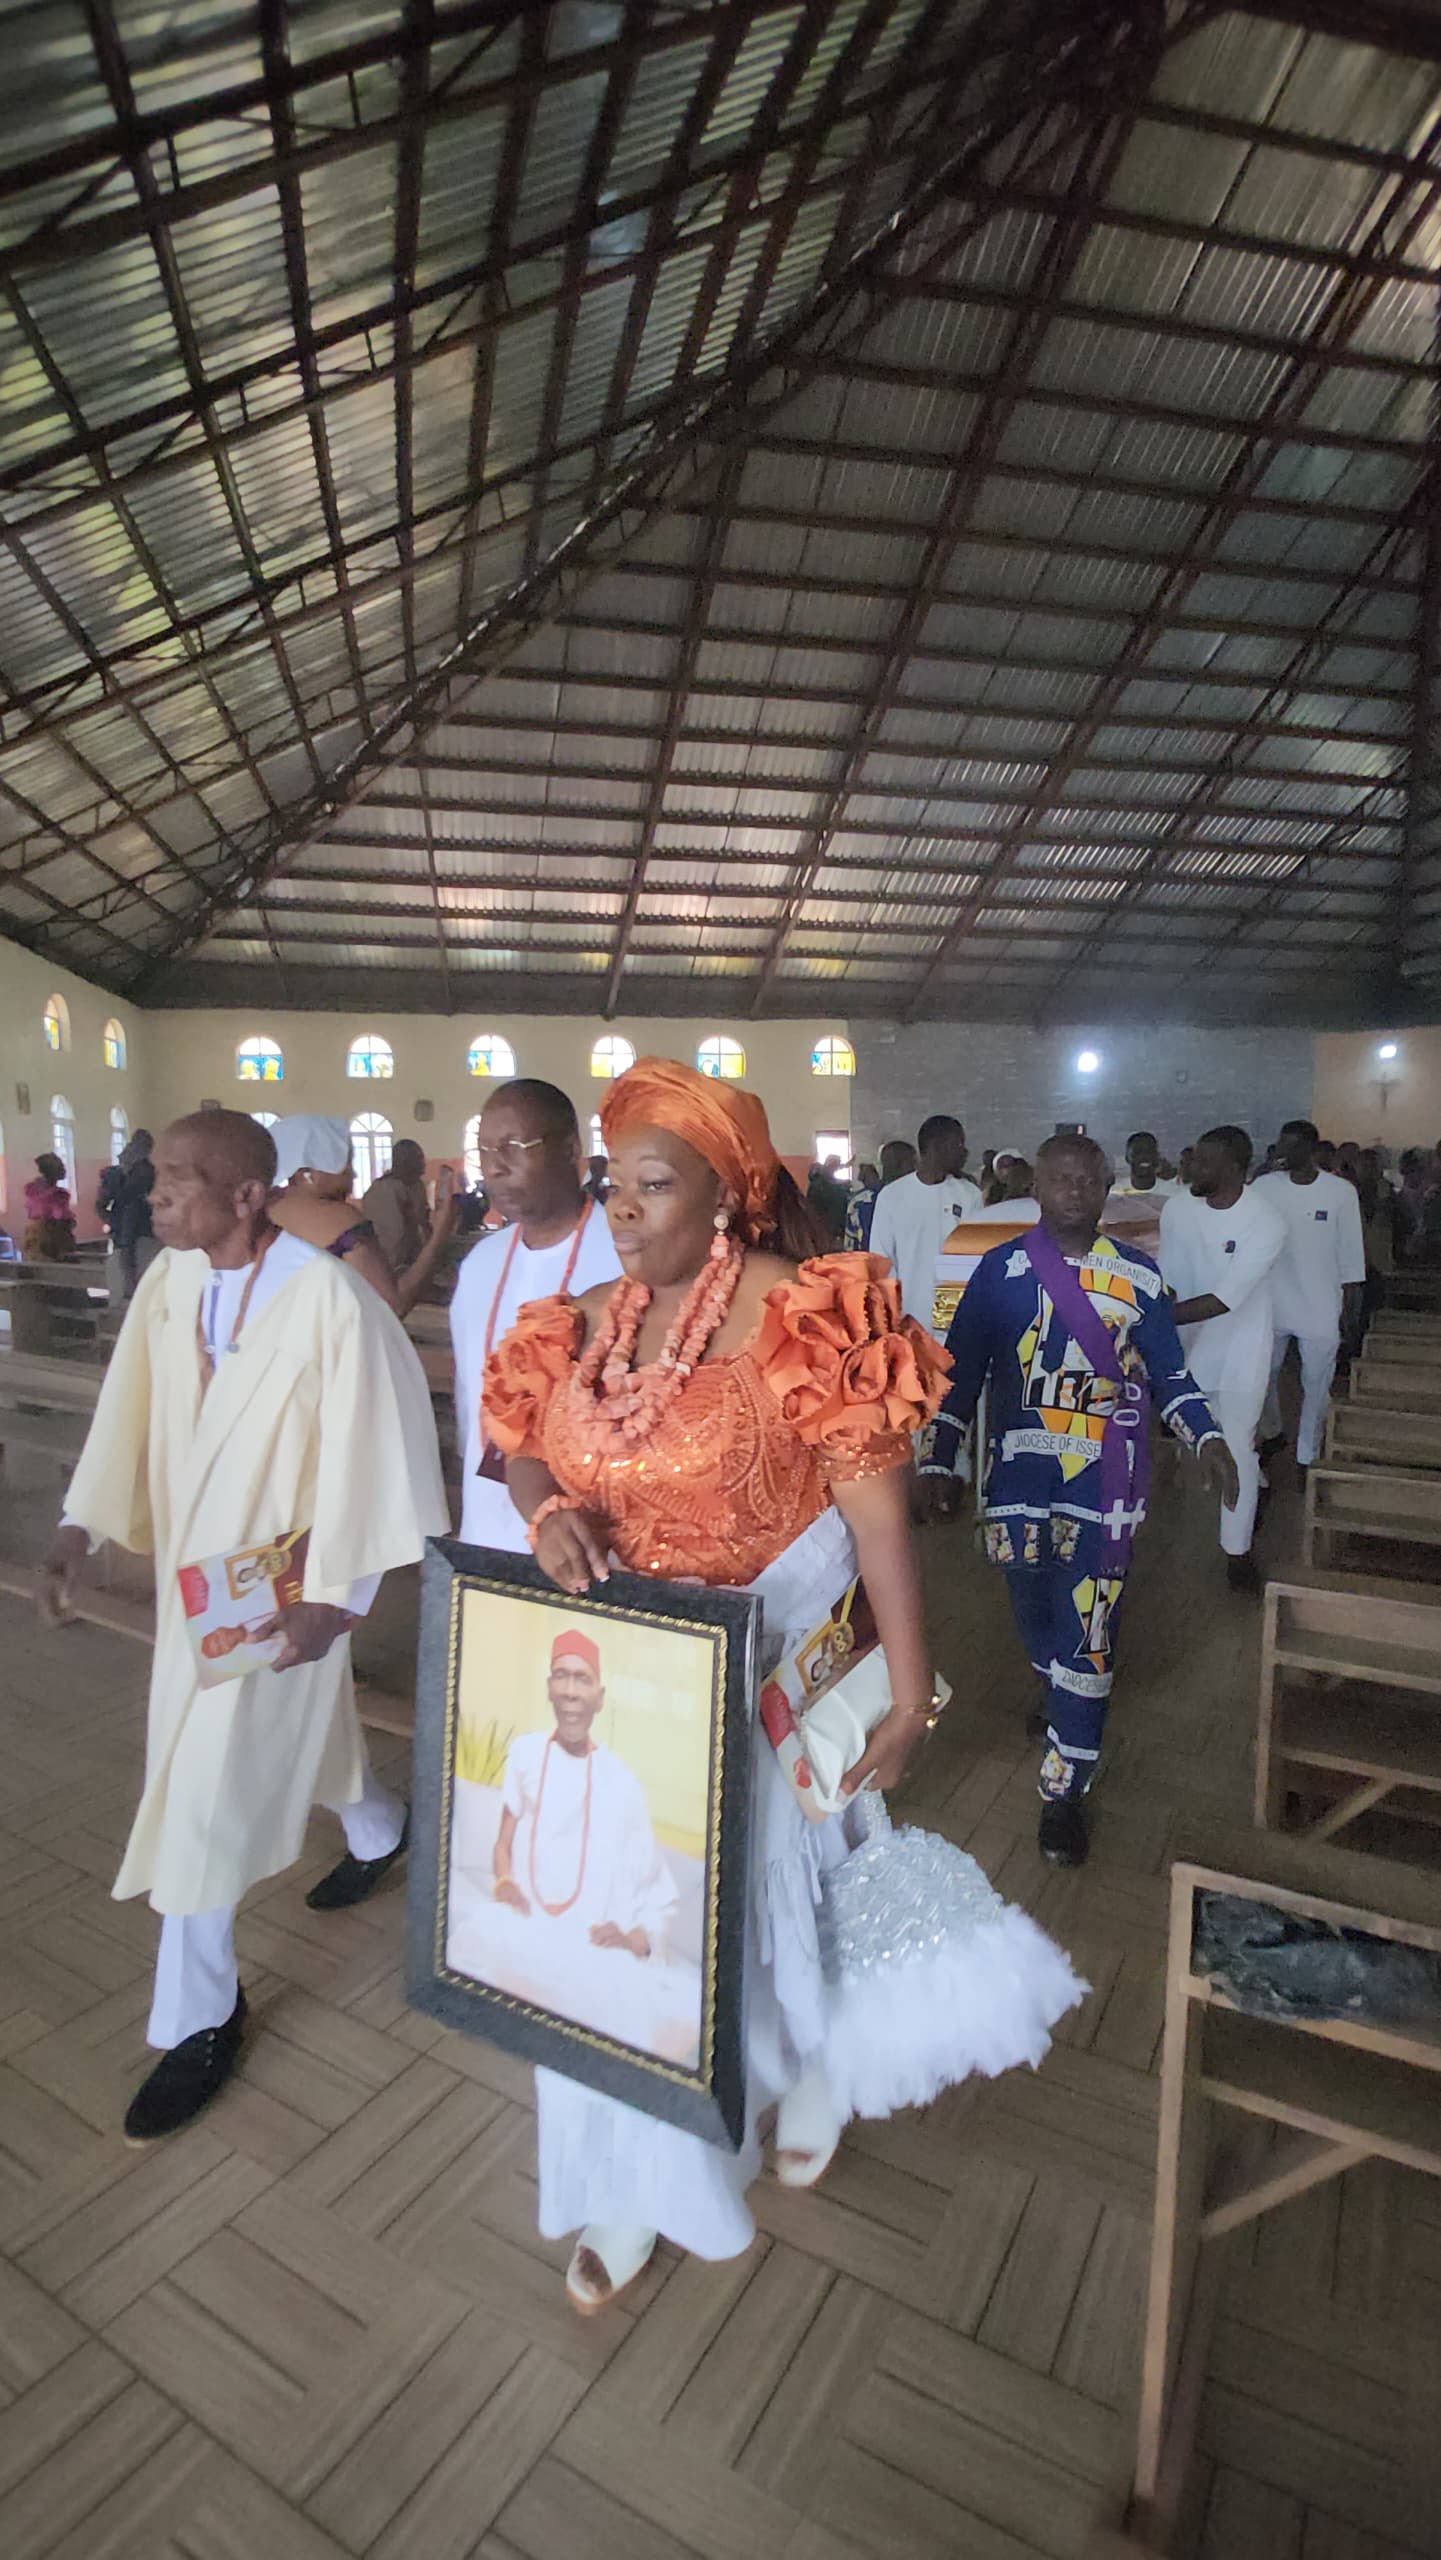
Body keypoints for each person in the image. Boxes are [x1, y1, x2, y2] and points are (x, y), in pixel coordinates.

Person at [484, 1058, 1082, 2310]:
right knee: (615, 1942)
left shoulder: (803, 1318)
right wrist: (546, 1515)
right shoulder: (578, 1321)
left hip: (760, 1683)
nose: (624, 1206)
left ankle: (795, 2077)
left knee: (746, 1927)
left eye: (657, 1183)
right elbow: (523, 1446)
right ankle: (635, 2173)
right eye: (614, 1182)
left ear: (728, 1194)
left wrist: (909, 1698)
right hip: (619, 1687)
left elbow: (877, 1522)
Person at [37, 1112, 448, 2143]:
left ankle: (201, 2015)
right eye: (158, 1175)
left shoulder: (328, 1303)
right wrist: (80, 1525)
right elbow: (126, 1408)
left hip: (281, 1586)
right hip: (194, 1577)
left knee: (202, 1790)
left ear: (247, 1195)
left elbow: (377, 1448)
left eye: (179, 1177)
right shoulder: (171, 1284)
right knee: (293, 1737)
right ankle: (378, 1825)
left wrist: (337, 1598)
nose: (155, 1191)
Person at [922, 1135, 1237, 1867]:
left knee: (1090, 1625)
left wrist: (1208, 1437)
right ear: (1035, 1185)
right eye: (1060, 1178)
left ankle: (1064, 1789)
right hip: (1018, 1480)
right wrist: (937, 1458)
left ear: (1105, 1188)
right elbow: (959, 1374)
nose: (1074, 1189)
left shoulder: (1138, 1275)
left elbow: (1171, 1376)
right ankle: (1058, 1684)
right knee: (1033, 1606)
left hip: (1106, 1482)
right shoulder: (999, 1270)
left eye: (1088, 1180)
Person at [449, 1627, 698, 2061]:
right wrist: (504, 1883)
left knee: (653, 2014)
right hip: (527, 1920)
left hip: (590, 1938)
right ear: (549, 1687)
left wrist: (631, 1939)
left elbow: (657, 1899)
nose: (569, 1690)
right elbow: (503, 1844)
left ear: (600, 1697)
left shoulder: (621, 1782)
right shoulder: (526, 1754)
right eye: (561, 1675)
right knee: (477, 1946)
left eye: (582, 1679)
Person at [450, 1080, 621, 1553]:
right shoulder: (479, 1264)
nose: (495, 1167)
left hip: (588, 1536)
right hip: (486, 1526)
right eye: (485, 1151)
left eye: (513, 1147)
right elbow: (468, 1401)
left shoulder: (624, 1255)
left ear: (570, 1151)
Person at [1160, 1128, 1287, 1591]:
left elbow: (1224, 1299)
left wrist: (1151, 1319)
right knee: (1192, 1440)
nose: (1191, 1168)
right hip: (1186, 1346)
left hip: (1241, 1350)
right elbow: (1169, 1277)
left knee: (1237, 1446)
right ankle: (1253, 1492)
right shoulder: (1177, 1209)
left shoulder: (1265, 1220)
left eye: (1203, 1162)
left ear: (1234, 1168)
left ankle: (1237, 1552)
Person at [1257, 1119, 1367, 1470]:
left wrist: (1350, 1311)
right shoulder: (1264, 1186)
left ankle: (1308, 1452)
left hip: (1321, 1303)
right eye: (1281, 1144)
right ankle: (1272, 1431)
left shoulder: (1340, 1192)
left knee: (1316, 1383)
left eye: (1291, 1146)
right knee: (1263, 1374)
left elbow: (1351, 1255)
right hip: (1271, 1301)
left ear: (1311, 1150)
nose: (1282, 1152)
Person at [269, 1115, 457, 1316]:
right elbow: (391, 1307)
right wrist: (440, 1235)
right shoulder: (340, 1219)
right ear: (308, 1174)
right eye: (346, 1166)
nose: (353, 1175)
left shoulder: (267, 1209)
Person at [870, 1115, 983, 1333]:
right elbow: (882, 1262)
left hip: (954, 1318)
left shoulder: (969, 1195)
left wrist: (951, 1317)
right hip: (907, 1320)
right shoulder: (892, 1196)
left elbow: (971, 1260)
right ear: (937, 1147)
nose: (965, 1152)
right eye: (959, 1144)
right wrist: (892, 1320)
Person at [361, 1137, 433, 1281]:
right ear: (405, 1161)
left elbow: (423, 1220)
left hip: (409, 1256)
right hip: (389, 1260)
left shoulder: (416, 1186)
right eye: (419, 1158)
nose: (423, 1163)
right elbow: (393, 1234)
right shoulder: (386, 1189)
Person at [844, 1137, 916, 1250]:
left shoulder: (858, 1201)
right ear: (903, 1165)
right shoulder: (918, 1199)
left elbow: (850, 1247)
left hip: (867, 1260)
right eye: (914, 1163)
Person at [23, 1152, 76, 1260]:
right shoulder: (57, 1195)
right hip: (50, 1235)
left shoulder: (32, 1190)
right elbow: (59, 1215)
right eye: (61, 1166)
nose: (64, 1169)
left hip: (35, 1233)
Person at [806, 1155, 850, 1244]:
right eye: (835, 1165)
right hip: (826, 1226)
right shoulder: (819, 1185)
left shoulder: (834, 1184)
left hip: (832, 1227)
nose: (836, 1168)